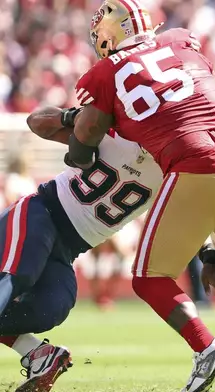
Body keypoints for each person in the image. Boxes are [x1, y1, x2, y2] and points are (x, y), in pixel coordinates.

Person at [66, 2, 215, 391]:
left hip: (194, 165)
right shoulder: (181, 41)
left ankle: (208, 348)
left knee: (148, 279)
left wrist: (77, 151)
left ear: (107, 36)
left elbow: (85, 137)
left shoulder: (104, 71)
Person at [0, 104, 163, 392]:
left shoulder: (172, 169)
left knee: (52, 307)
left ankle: (38, 354)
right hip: (41, 214)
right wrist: (74, 118)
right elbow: (35, 121)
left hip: (67, 250)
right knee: (16, 278)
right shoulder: (113, 132)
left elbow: (188, 212)